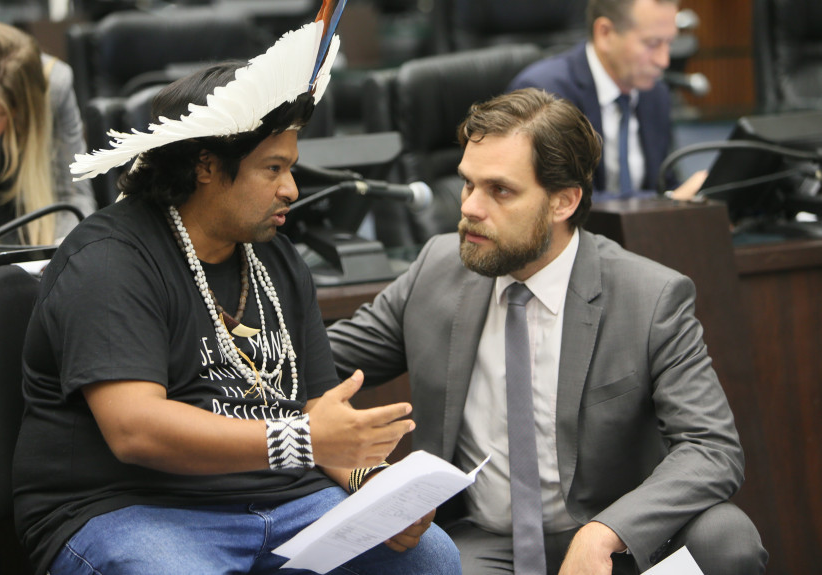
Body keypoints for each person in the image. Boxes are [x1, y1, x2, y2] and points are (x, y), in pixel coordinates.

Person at [13, 10, 460, 575]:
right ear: (206, 165)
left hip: (282, 499)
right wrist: (301, 440)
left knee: (430, 558)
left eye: (291, 168)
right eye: (273, 168)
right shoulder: (109, 258)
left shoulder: (273, 254)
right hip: (133, 507)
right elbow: (135, 430)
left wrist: (377, 489)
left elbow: (318, 410)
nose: (291, 189)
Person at [327, 88, 767, 575]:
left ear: (563, 201)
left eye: (500, 190)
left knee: (725, 538)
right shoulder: (437, 269)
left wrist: (608, 531)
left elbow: (711, 448)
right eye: (468, 185)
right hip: (486, 541)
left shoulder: (650, 297)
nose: (471, 207)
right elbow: (312, 362)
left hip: (614, 541)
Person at [507, 0, 706, 200]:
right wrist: (667, 204)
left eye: (669, 43)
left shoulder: (655, 93)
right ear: (605, 33)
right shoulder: (547, 95)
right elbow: (559, 200)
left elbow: (664, 182)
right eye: (652, 44)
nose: (664, 61)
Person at [0, 21, 96, 245]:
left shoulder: (53, 88)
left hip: (21, 233)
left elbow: (71, 197)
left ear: (15, 114)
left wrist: (62, 258)